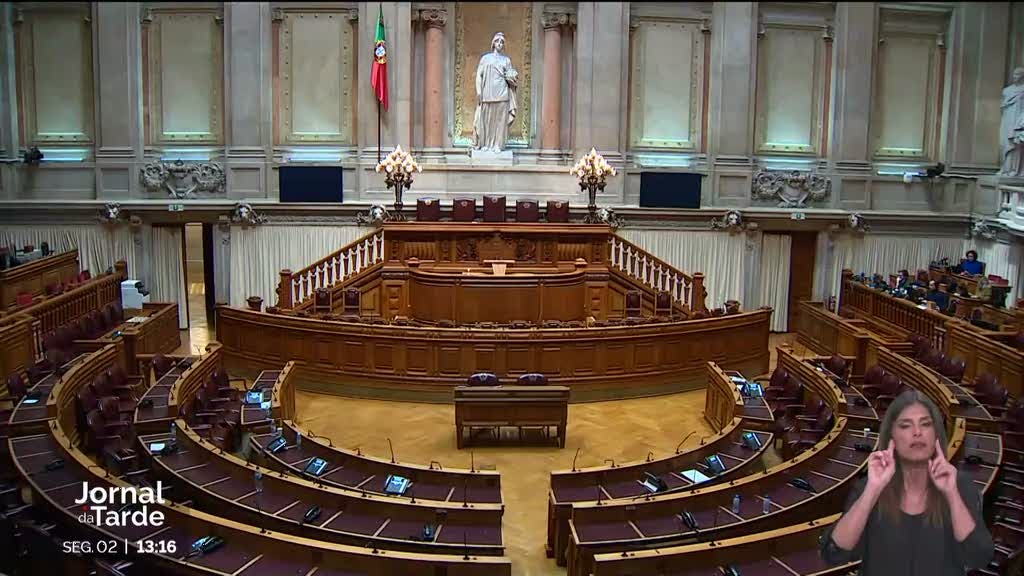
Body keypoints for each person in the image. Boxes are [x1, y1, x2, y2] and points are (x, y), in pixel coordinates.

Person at [820, 390, 993, 575]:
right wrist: (872, 490)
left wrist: (952, 494)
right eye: (905, 426)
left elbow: (979, 557)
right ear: (892, 438)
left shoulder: (960, 487)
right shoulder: (869, 487)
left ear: (936, 435)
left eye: (925, 424)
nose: (917, 432)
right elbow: (833, 554)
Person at [473, 32, 518, 152]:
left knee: (500, 121)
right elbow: (479, 75)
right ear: (493, 43)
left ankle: (498, 144)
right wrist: (479, 91)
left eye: (502, 42)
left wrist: (512, 77)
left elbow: (510, 75)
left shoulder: (506, 60)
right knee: (487, 120)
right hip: (487, 93)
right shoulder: (485, 58)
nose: (499, 44)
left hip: (502, 93)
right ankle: (486, 144)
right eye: (497, 41)